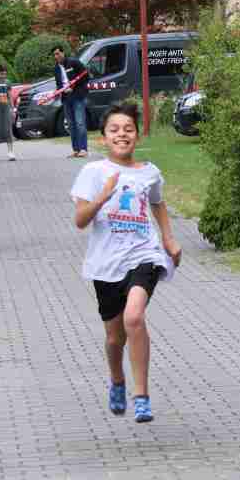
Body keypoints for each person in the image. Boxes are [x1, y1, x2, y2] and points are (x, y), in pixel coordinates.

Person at [71, 103, 181, 423]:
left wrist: (169, 239)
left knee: (134, 316)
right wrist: (101, 199)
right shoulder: (92, 173)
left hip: (143, 255)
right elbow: (80, 220)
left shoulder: (149, 172)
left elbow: (158, 204)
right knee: (114, 337)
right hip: (105, 264)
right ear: (104, 138)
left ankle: (141, 395)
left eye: (128, 129)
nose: (122, 134)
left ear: (137, 134)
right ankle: (117, 379)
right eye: (115, 130)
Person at [51, 45, 90, 158]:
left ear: (63, 53)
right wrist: (56, 93)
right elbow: (59, 84)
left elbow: (86, 77)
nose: (56, 56)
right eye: (54, 54)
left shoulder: (73, 62)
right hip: (66, 99)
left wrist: (74, 88)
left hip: (77, 96)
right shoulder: (56, 68)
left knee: (80, 122)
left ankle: (83, 149)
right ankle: (76, 150)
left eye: (58, 53)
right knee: (71, 125)